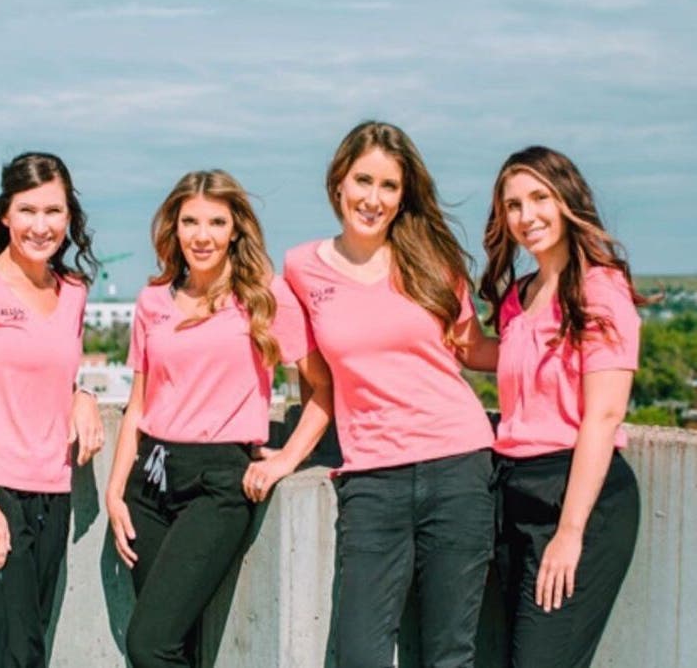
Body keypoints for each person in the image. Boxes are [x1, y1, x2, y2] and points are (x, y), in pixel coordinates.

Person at [282, 121, 498, 668]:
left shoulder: (432, 261)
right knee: (360, 655)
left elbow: (474, 350)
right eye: (363, 181)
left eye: (388, 186)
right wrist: (285, 456)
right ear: (338, 183)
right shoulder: (302, 268)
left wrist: (565, 348)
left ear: (404, 197)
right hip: (372, 478)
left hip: (459, 467)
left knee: (449, 654)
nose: (372, 199)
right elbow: (317, 383)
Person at [105, 169, 333, 668]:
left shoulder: (263, 297)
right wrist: (115, 491)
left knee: (147, 644)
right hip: (150, 480)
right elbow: (138, 406)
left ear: (235, 229)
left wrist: (287, 459)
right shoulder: (152, 301)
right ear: (174, 226)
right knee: (175, 646)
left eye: (215, 222)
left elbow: (324, 388)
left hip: (217, 485)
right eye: (190, 221)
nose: (201, 235)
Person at [0, 151, 103, 668]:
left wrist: (85, 395)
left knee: (8, 652)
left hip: (52, 493)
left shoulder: (73, 292)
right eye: (27, 211)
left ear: (69, 217)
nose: (40, 226)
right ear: (4, 214)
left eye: (54, 212)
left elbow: (52, 371)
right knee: (15, 657)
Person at [480, 146, 643, 668]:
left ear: (567, 199)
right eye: (513, 205)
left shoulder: (600, 287)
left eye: (539, 198)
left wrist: (570, 532)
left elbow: (604, 415)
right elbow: (500, 360)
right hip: (513, 492)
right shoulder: (519, 296)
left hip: (575, 497)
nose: (527, 217)